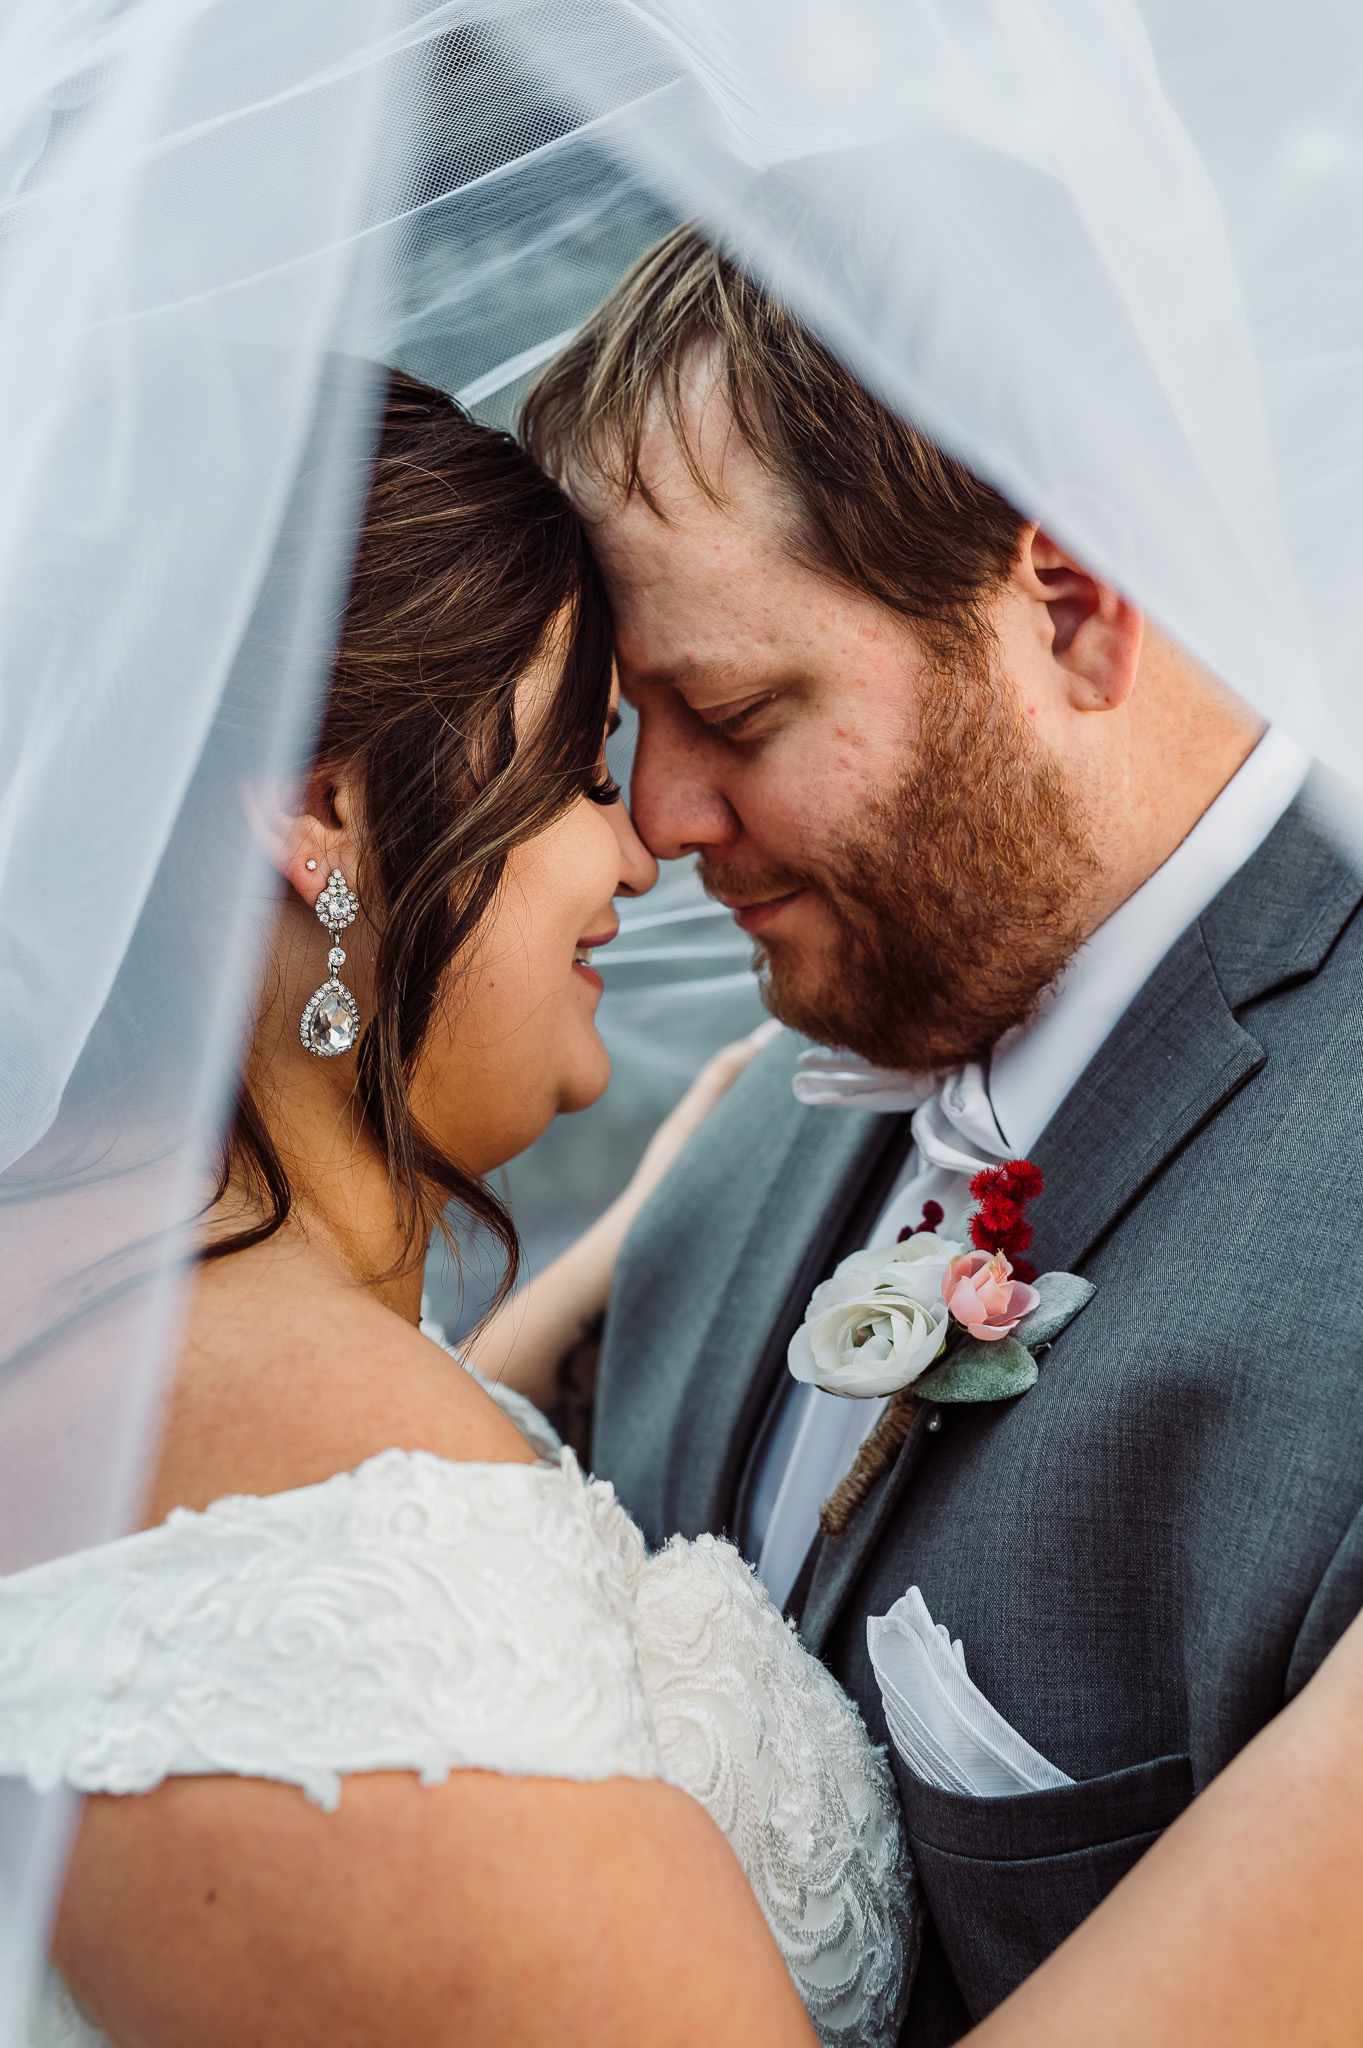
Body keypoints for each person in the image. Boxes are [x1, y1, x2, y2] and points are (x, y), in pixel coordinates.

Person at [515, 226, 1363, 2043]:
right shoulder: (752, 1113)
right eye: (629, 726)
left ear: (1072, 606)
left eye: (731, 712)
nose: (658, 822)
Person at [0, 370, 917, 2048]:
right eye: (579, 767)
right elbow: (337, 1530)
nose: (639, 853)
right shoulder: (322, 1462)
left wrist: (620, 1253)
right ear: (323, 811)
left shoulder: (88, 1281)